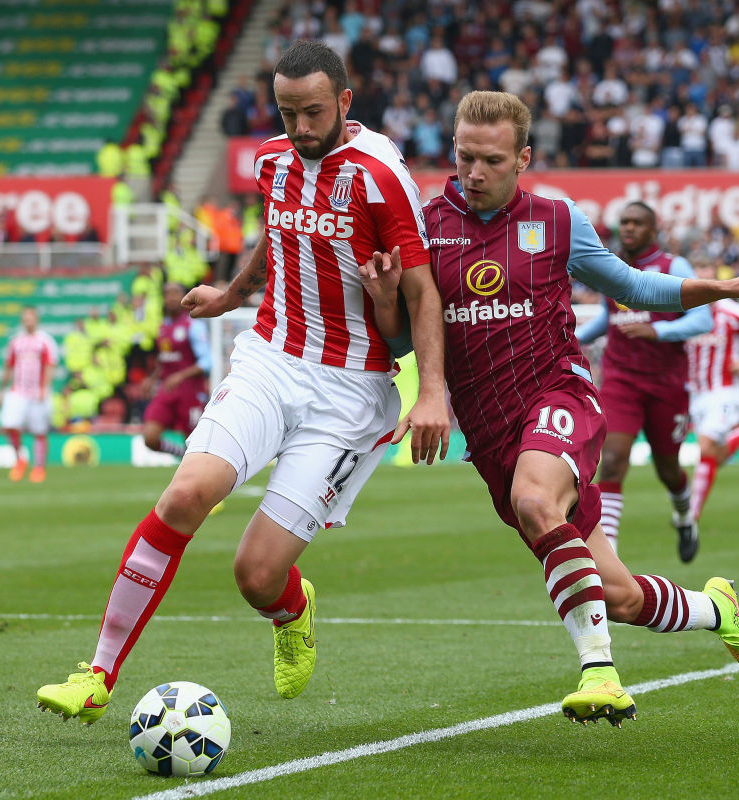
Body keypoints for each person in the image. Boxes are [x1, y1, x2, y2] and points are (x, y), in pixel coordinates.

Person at [36, 41, 449, 723]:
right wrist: (233, 296)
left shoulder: (380, 176)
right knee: (187, 493)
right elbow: (279, 234)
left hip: (349, 391)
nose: (301, 128)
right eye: (288, 113)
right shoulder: (271, 160)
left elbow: (422, 290)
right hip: (270, 357)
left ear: (345, 103)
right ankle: (98, 673)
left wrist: (430, 391)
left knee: (256, 576)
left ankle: (293, 608)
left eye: (313, 112)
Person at [360, 91, 739, 727]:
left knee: (534, 498)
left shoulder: (556, 220)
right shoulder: (423, 224)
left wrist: (719, 288)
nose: (473, 172)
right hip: (490, 429)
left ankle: (599, 670)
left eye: (491, 160)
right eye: (464, 156)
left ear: (523, 158)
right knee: (621, 595)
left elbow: (632, 286)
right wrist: (386, 296)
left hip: (559, 395)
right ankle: (718, 608)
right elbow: (398, 337)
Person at [576, 202, 713, 562]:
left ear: (654, 229)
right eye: (624, 222)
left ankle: (684, 516)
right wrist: (573, 338)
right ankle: (608, 561)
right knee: (613, 460)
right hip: (621, 380)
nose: (629, 228)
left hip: (666, 383)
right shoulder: (612, 266)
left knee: (668, 469)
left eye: (637, 223)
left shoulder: (673, 267)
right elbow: (610, 319)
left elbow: (702, 320)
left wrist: (658, 330)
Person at [685, 262, 739, 523]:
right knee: (713, 456)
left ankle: (691, 515)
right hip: (696, 394)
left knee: (705, 446)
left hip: (725, 390)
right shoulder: (684, 311)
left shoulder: (733, 312)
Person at [141, 283, 211, 458]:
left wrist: (180, 376)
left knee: (194, 444)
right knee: (150, 437)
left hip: (190, 391)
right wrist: (151, 379)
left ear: (185, 297)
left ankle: (192, 463)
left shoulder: (194, 325)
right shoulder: (163, 327)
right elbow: (165, 358)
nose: (171, 297)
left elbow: (207, 362)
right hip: (167, 388)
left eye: (176, 293)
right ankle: (181, 454)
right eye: (167, 293)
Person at [0, 306, 58, 483]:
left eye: (31, 317)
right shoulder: (15, 341)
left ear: (36, 319)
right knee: (9, 425)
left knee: (39, 431)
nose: (28, 320)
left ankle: (38, 468)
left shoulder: (45, 341)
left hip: (37, 392)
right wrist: (1, 391)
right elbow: (9, 367)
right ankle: (20, 459)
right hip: (18, 391)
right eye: (25, 317)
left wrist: (45, 388)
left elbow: (50, 366)